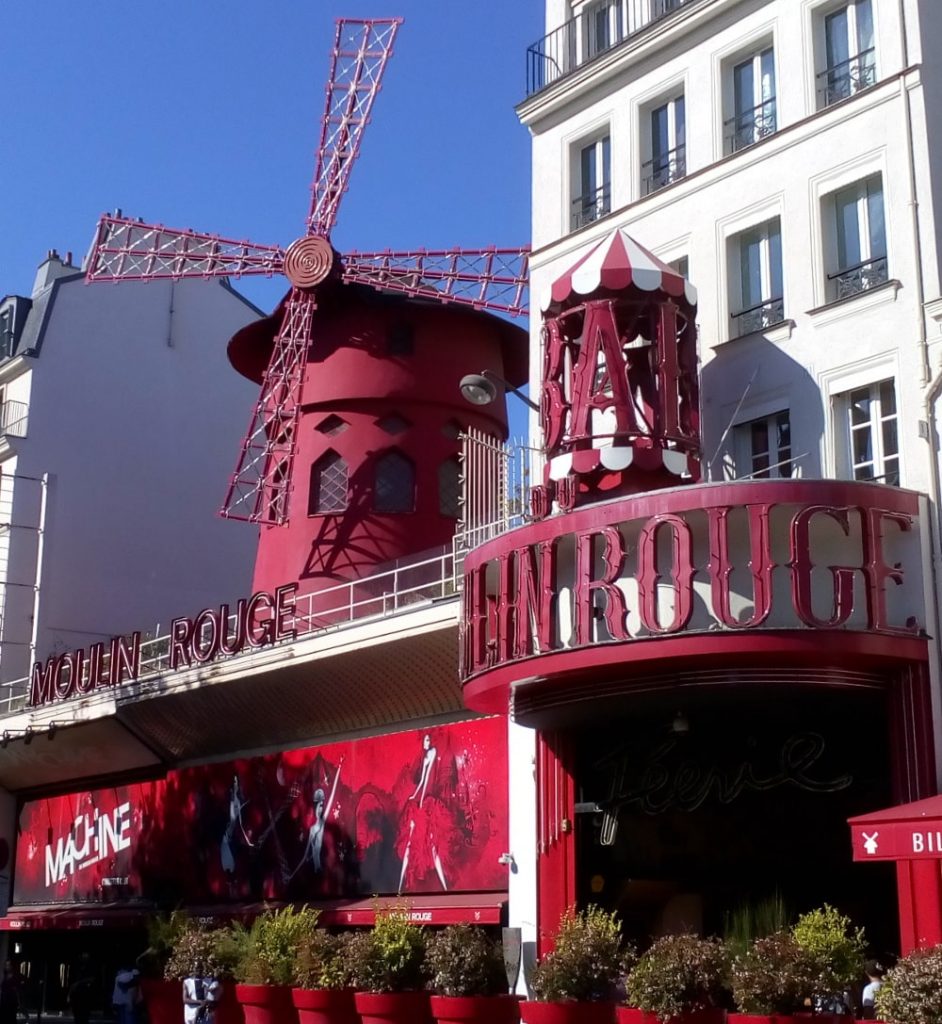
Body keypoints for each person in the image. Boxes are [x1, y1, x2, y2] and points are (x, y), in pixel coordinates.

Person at [183, 960, 221, 1024]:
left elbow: (218, 989)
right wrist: (200, 1002)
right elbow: (185, 999)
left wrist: (210, 1002)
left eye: (201, 967)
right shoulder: (187, 982)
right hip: (192, 1014)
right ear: (192, 968)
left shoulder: (209, 980)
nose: (199, 970)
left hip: (206, 1014)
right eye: (197, 968)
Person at [68, 956, 95, 1024]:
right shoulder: (76, 970)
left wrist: (79, 983)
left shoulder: (89, 969)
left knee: (84, 1016)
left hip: (85, 996)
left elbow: (92, 979)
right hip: (77, 996)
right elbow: (72, 984)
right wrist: (69, 995)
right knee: (77, 1016)